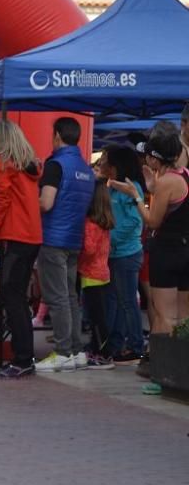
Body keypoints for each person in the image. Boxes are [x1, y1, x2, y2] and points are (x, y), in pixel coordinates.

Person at [109, 125, 189, 341]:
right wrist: (152, 188)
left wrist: (136, 196)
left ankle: (163, 366)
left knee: (165, 316)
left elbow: (153, 222)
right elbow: (176, 203)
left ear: (154, 159)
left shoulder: (166, 182)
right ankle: (181, 365)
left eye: (147, 156)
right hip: (184, 248)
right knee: (183, 317)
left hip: (167, 252)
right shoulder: (184, 175)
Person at [0, 120, 43, 379]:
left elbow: (1, 199)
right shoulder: (27, 164)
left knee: (12, 297)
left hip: (16, 235)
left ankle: (23, 357)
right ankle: (23, 355)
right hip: (30, 235)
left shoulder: (4, 163)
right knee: (17, 297)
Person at [36, 117, 94, 372]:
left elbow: (46, 203)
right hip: (74, 239)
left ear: (57, 134)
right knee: (70, 296)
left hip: (52, 238)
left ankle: (62, 352)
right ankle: (75, 350)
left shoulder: (56, 164)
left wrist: (29, 201)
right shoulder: (85, 168)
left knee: (57, 296)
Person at [98, 145, 145, 364]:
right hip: (114, 254)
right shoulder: (112, 188)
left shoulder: (130, 188)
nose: (104, 164)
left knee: (127, 302)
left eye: (108, 161)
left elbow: (135, 221)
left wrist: (111, 239)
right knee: (116, 302)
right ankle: (115, 345)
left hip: (127, 254)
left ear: (117, 165)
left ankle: (136, 346)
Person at [76, 180, 116, 370]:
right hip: (102, 271)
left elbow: (89, 249)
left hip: (90, 273)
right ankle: (98, 348)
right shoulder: (104, 221)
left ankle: (103, 354)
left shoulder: (90, 223)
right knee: (99, 315)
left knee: (95, 317)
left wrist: (77, 254)